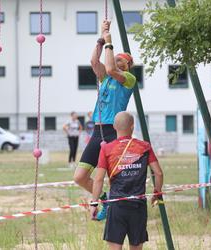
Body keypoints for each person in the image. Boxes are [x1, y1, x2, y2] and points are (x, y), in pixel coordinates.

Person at [74, 20, 136, 220]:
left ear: (128, 67)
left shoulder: (127, 79)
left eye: (122, 61)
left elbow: (110, 68)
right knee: (80, 177)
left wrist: (109, 41)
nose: (118, 62)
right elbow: (95, 62)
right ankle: (105, 200)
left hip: (113, 131)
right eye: (116, 59)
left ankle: (118, 210)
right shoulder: (105, 77)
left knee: (112, 177)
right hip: (98, 131)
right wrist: (100, 42)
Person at [90, 111, 164, 250]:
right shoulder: (144, 146)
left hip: (117, 206)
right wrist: (156, 193)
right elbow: (158, 173)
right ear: (132, 126)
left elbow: (99, 179)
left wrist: (94, 204)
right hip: (138, 205)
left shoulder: (106, 148)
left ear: (114, 127)